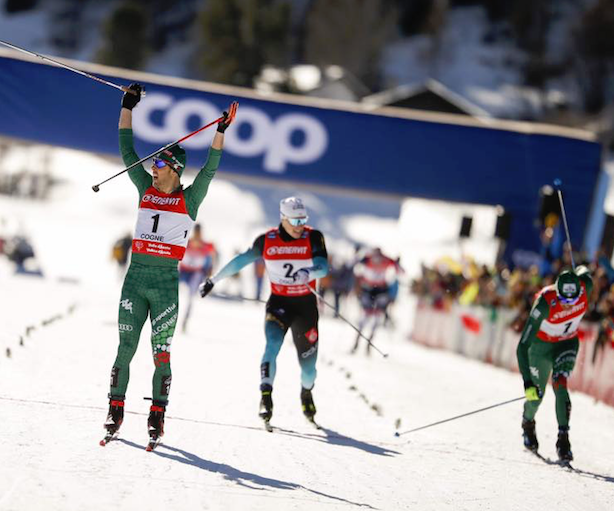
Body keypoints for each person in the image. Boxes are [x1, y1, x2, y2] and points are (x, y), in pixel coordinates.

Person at [102, 82, 237, 445]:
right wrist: (127, 106)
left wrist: (220, 131)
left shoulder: (190, 198)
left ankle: (157, 414)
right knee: (124, 348)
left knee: (161, 353)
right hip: (135, 278)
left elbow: (210, 169)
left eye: (160, 163)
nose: (153, 167)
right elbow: (126, 149)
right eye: (154, 163)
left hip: (164, 285)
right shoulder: (143, 185)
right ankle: (115, 409)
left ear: (174, 169)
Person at [199, 197, 329, 425]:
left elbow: (324, 266)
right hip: (279, 304)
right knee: (272, 346)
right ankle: (266, 397)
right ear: (283, 218)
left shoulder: (313, 236)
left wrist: (309, 272)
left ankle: (306, 391)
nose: (300, 225)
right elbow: (241, 261)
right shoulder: (267, 240)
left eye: (303, 219)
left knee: (309, 370)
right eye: (295, 220)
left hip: (305, 307)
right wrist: (214, 279)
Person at [516, 265, 593, 462]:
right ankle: (528, 422)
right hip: (540, 347)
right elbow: (522, 346)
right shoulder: (544, 304)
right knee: (536, 397)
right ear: (557, 293)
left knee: (560, 383)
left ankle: (563, 438)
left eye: (573, 300)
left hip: (566, 343)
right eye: (563, 300)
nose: (568, 305)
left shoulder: (586, 286)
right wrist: (527, 383)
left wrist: (579, 271)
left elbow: (585, 271)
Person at [351, 248, 399, 355]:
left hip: (381, 291)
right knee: (364, 317)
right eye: (375, 257)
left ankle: (369, 344)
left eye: (379, 257)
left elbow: (400, 271)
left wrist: (397, 263)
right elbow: (354, 265)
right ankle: (356, 343)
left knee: (377, 318)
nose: (377, 261)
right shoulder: (367, 259)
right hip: (368, 290)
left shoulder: (386, 260)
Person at [178, 223, 217, 332]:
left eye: (199, 233)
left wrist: (210, 271)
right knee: (171, 288)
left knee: (191, 297)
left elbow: (213, 256)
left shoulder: (206, 245)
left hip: (195, 273)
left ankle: (185, 320)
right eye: (196, 233)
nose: (197, 235)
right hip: (183, 271)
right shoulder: (187, 242)